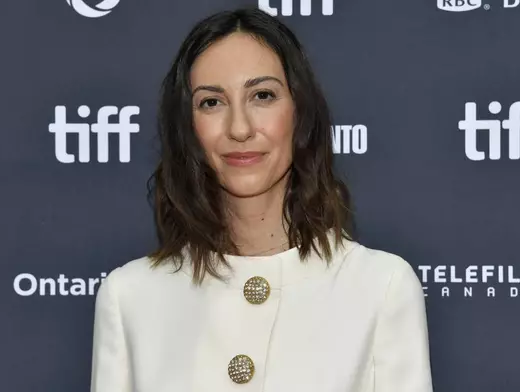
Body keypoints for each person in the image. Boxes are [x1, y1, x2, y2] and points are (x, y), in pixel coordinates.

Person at [90, 7, 433, 392]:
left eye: (262, 95)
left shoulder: (380, 287)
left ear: (299, 112)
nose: (240, 128)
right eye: (211, 102)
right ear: (188, 127)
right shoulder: (130, 298)